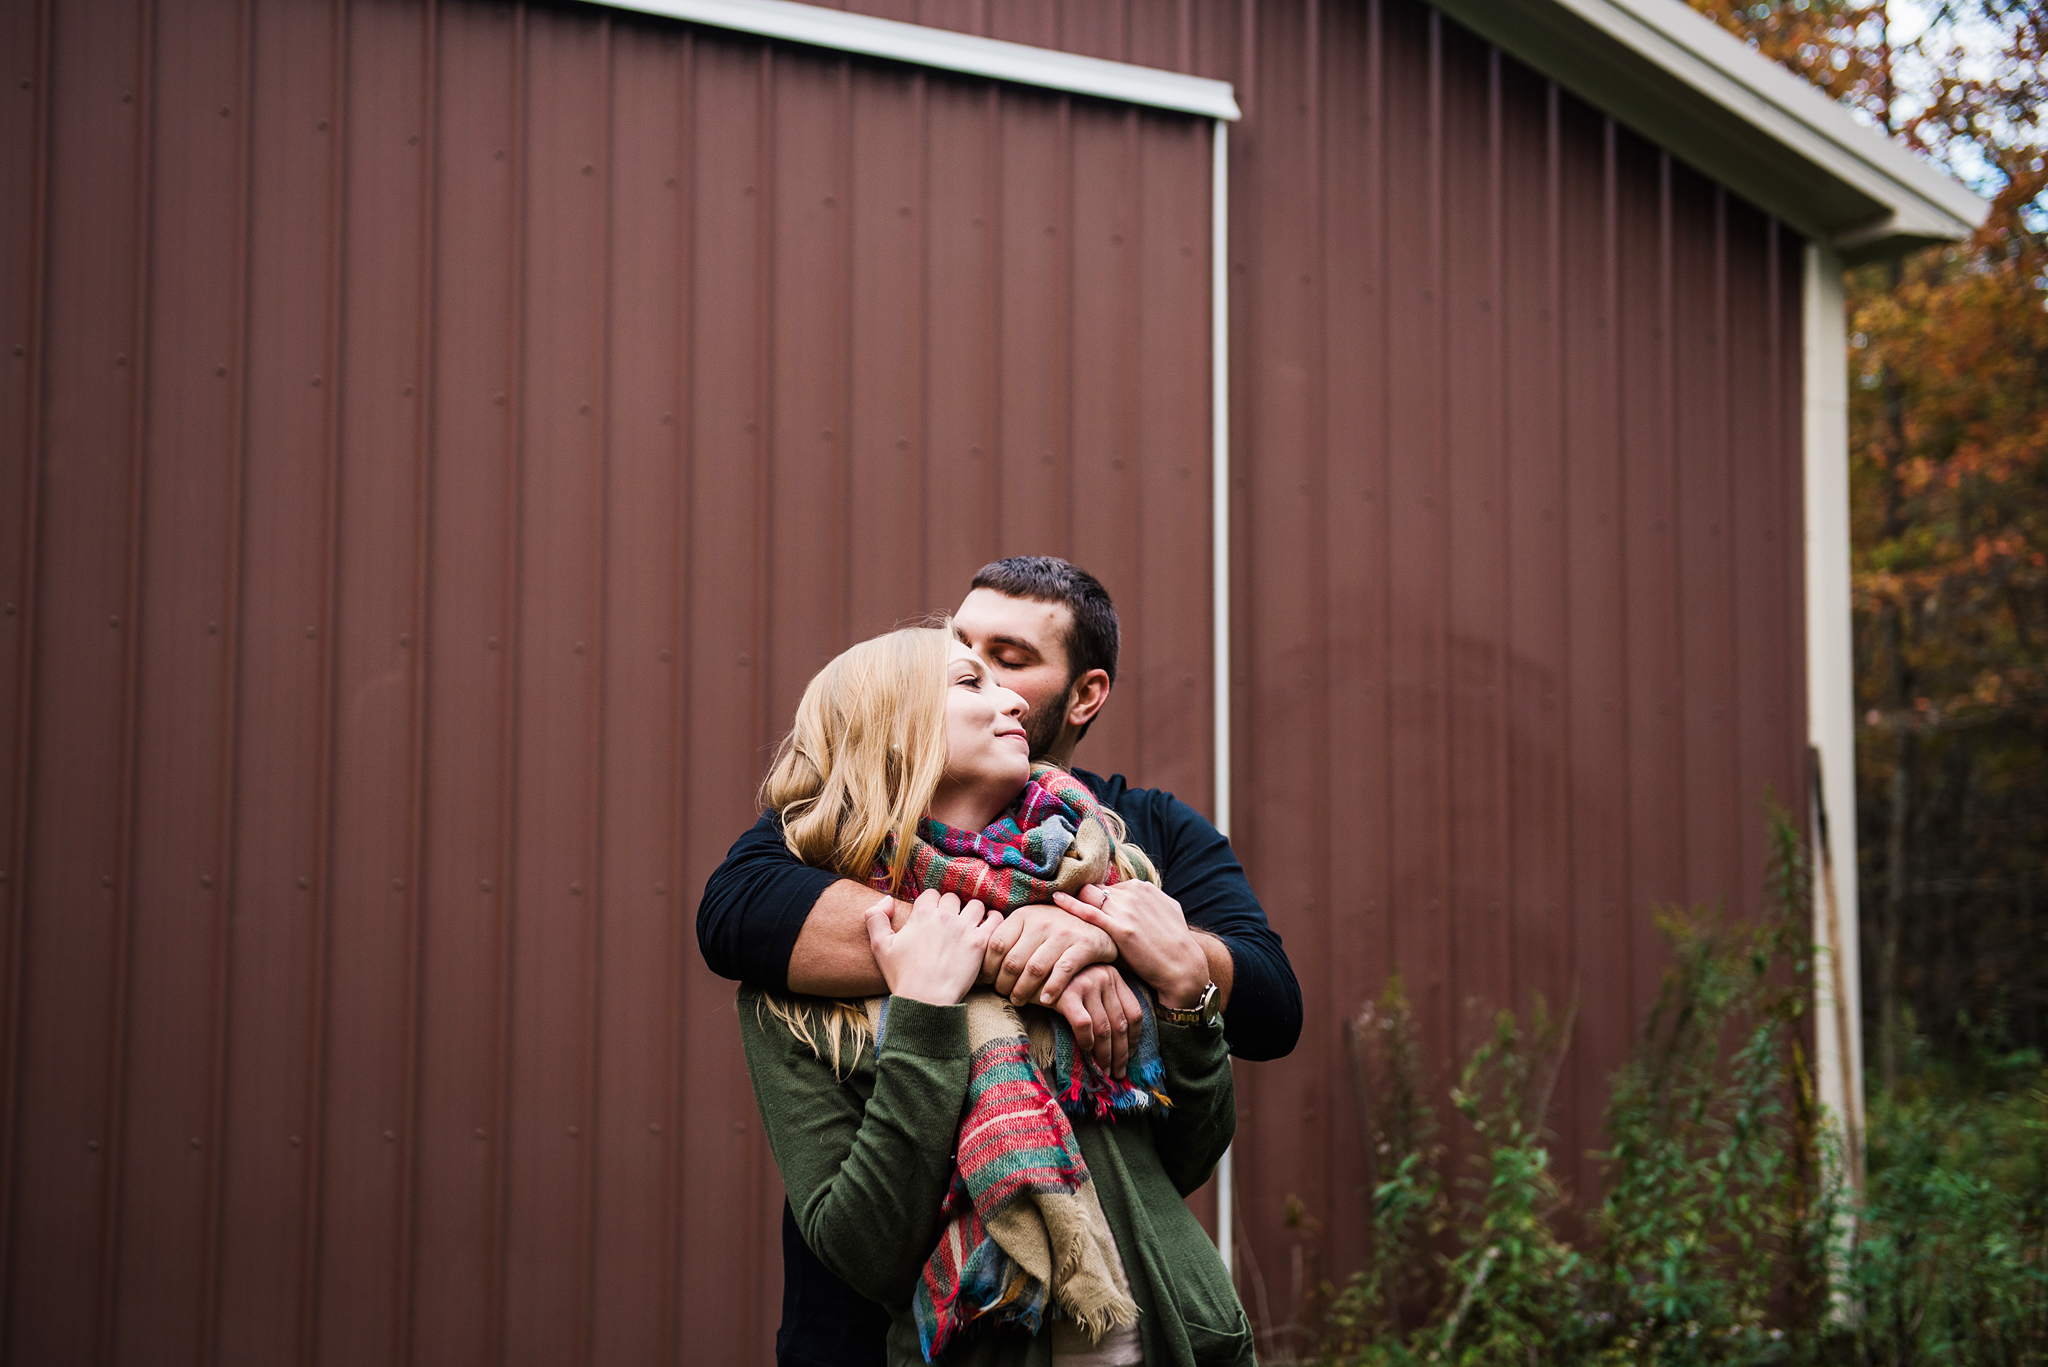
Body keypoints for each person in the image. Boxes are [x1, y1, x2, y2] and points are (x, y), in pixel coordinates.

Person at [698, 557, 1300, 1367]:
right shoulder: (817, 856)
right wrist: (1004, 948)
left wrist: (1118, 942)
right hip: (884, 1338)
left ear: (1083, 693)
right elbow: (733, 913)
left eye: (1011, 662)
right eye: (966, 661)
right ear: (898, 722)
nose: (1003, 691)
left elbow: (1260, 1020)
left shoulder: (1135, 843)